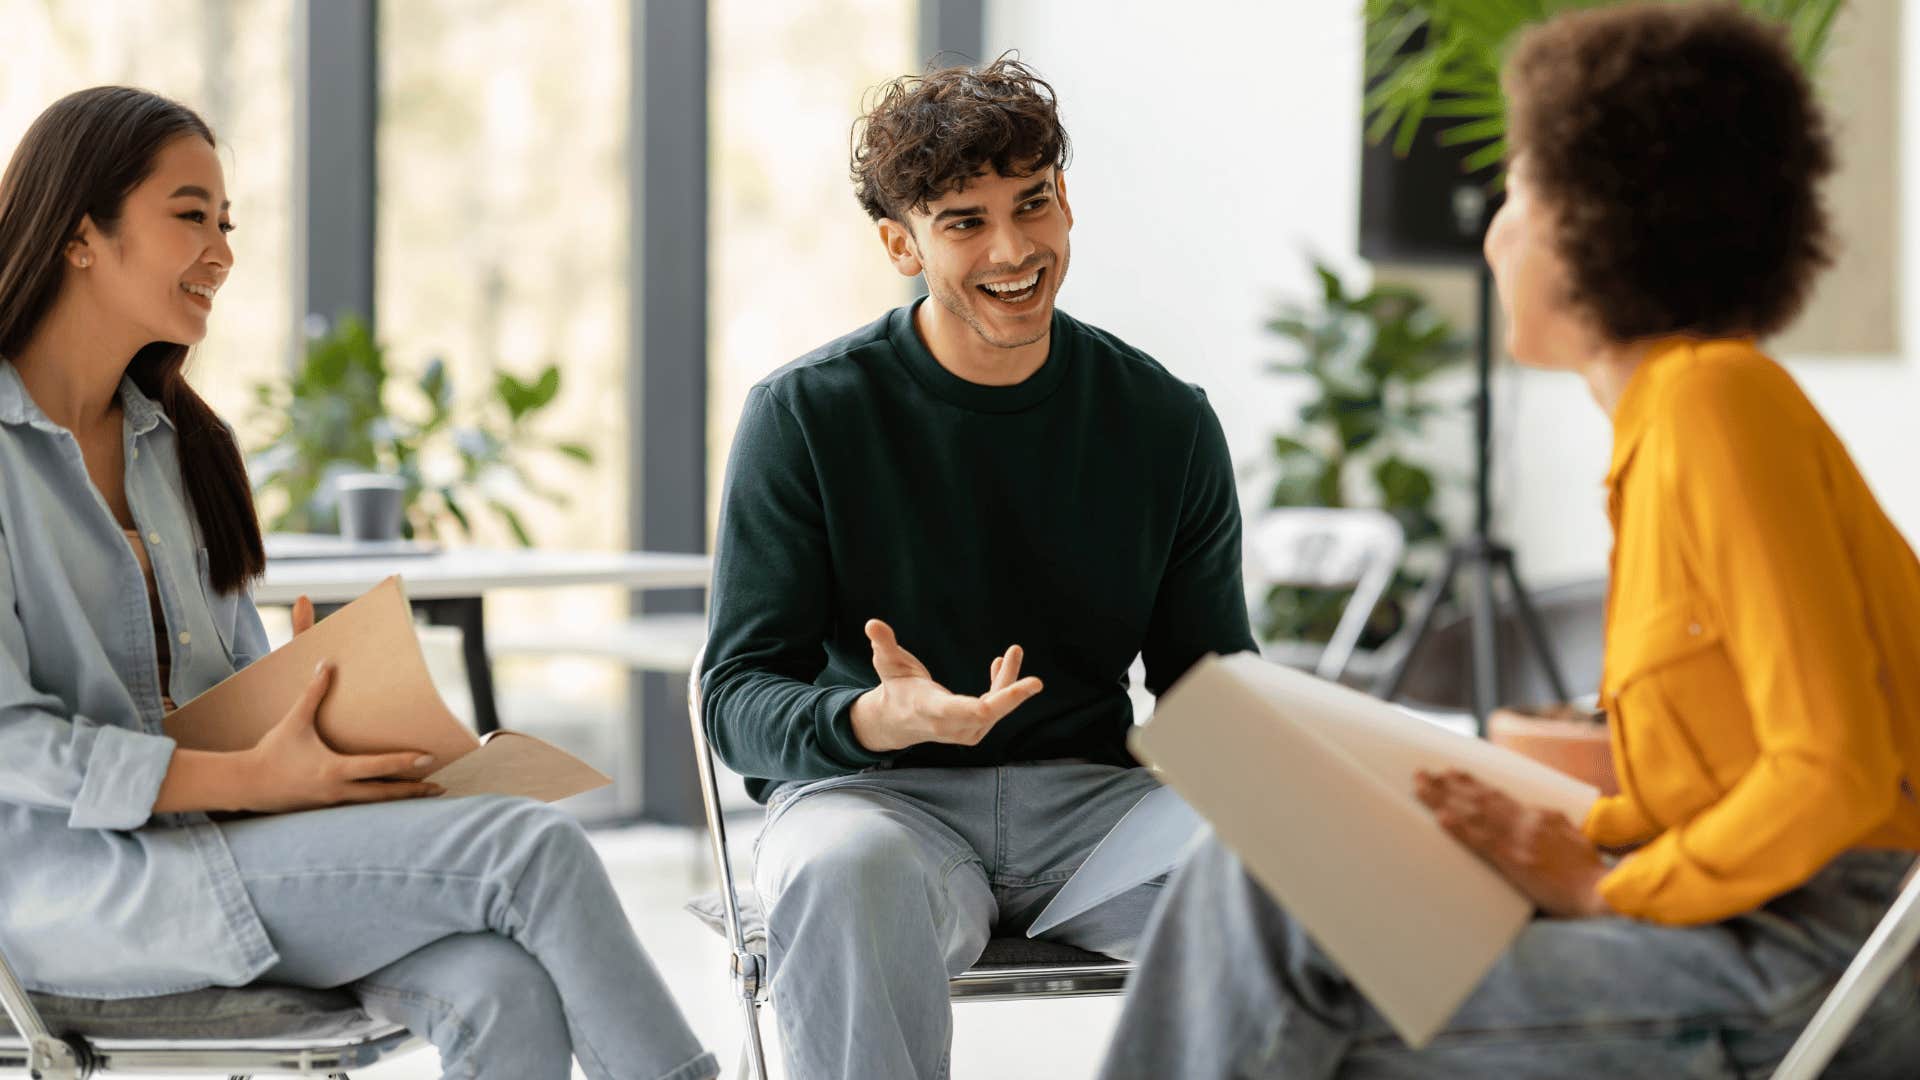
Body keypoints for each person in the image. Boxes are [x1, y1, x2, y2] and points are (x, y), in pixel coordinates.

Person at [1098, 4, 1920, 1077]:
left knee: (1284, 951)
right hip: (1763, 925)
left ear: (1609, 218)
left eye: (1524, 191)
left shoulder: (1715, 406)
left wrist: (1607, 885)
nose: (1495, 229)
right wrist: (1580, 830)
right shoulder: (1680, 421)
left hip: (1822, 956)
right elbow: (1743, 768)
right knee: (1260, 877)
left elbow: (1837, 773)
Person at [0, 86, 717, 1080]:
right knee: (530, 850)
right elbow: (11, 742)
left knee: (497, 984)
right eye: (190, 216)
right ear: (84, 235)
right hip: (71, 901)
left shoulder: (175, 446)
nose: (223, 251)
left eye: (228, 222)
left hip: (230, 850)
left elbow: (226, 700)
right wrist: (254, 774)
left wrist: (315, 715)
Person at [700, 55, 1257, 1080]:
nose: (1014, 249)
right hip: (874, 802)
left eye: (1033, 203)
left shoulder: (1165, 421)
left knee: (1285, 870)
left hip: (1100, 815)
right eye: (964, 220)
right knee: (840, 869)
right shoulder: (806, 416)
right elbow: (734, 698)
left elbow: (1204, 683)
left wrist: (1321, 763)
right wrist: (875, 719)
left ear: (1066, 203)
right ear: (899, 243)